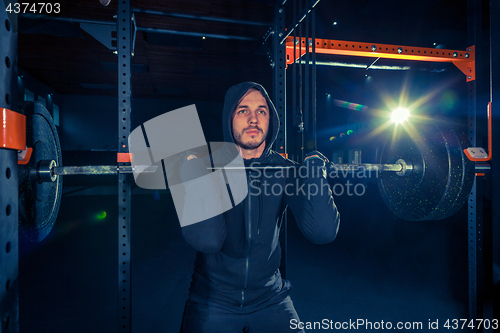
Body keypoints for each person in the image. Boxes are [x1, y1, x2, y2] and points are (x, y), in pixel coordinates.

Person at [178, 82, 340, 332]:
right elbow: (207, 240)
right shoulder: (208, 168)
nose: (253, 119)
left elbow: (323, 231)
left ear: (270, 120)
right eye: (243, 110)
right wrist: (195, 176)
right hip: (213, 298)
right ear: (229, 119)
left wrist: (315, 173)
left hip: (270, 298)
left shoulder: (285, 170)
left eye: (261, 111)